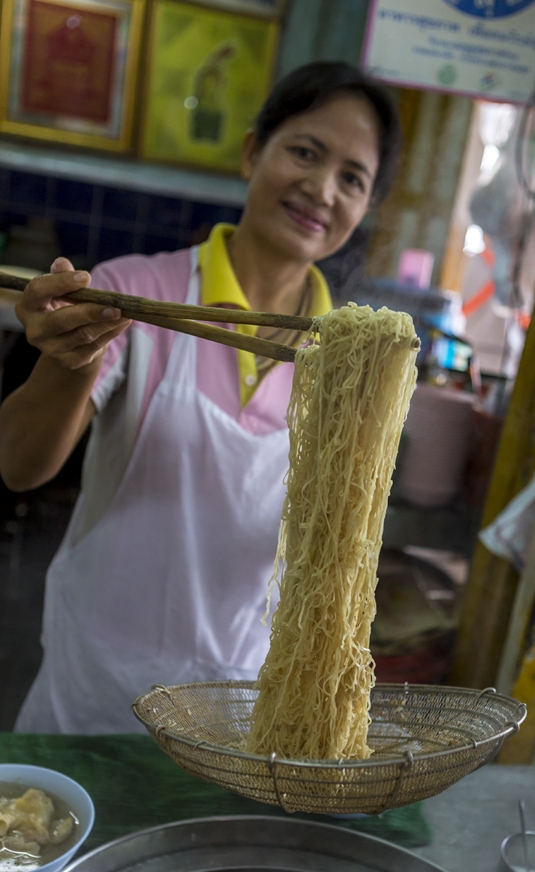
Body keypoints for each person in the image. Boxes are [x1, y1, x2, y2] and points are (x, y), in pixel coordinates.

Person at [0, 62, 402, 733]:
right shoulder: (139, 293)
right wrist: (72, 358)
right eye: (304, 152)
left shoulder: (350, 361)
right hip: (94, 693)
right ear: (253, 152)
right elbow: (19, 463)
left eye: (352, 179)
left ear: (362, 210)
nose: (321, 189)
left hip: (238, 709)